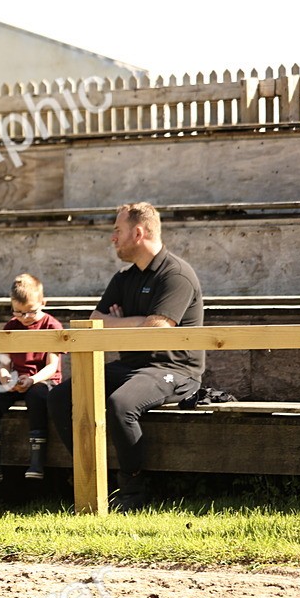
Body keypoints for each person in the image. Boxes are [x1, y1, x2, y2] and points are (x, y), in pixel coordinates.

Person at [48, 202, 203, 510]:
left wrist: (123, 321)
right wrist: (139, 320)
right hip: (131, 366)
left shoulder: (176, 275)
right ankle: (89, 477)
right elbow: (95, 320)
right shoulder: (123, 278)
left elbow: (158, 328)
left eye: (117, 230)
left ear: (138, 232)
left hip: (174, 369)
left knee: (120, 404)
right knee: (60, 396)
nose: (112, 238)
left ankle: (133, 491)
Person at [0, 274, 63, 487]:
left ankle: (37, 461)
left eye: (31, 311)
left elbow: (52, 366)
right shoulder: (12, 326)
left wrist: (32, 380)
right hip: (18, 380)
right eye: (19, 312)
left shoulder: (51, 325)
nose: (25, 317)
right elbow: (5, 364)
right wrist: (5, 377)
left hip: (43, 380)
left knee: (36, 396)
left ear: (43, 303)